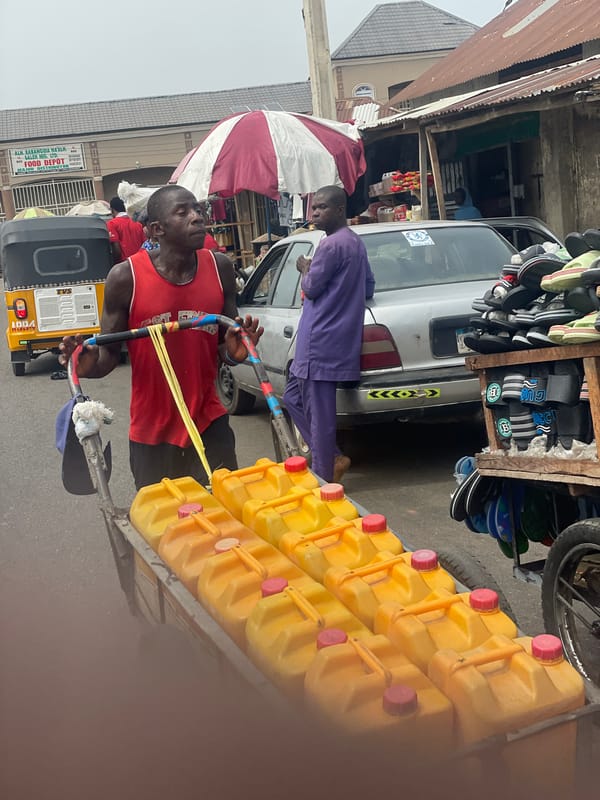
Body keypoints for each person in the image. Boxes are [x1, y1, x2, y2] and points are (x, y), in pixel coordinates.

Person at [59, 185, 263, 490]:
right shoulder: (125, 278)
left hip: (209, 421)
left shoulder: (219, 268)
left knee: (225, 519)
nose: (197, 218)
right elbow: (108, 357)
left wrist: (235, 352)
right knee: (163, 529)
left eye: (198, 210)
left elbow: (225, 346)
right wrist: (87, 364)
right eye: (183, 212)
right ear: (157, 229)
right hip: (152, 432)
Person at [282, 185, 375, 484]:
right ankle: (332, 456)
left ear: (339, 210)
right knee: (293, 396)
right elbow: (369, 286)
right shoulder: (355, 243)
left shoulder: (332, 244)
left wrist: (305, 269)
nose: (315, 213)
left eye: (321, 207)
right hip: (331, 338)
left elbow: (311, 287)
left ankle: (324, 479)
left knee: (320, 416)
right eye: (313, 208)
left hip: (320, 340)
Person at [107, 196, 146, 262]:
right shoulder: (137, 223)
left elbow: (117, 250)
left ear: (112, 210)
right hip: (140, 261)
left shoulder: (112, 224)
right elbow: (144, 244)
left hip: (124, 264)